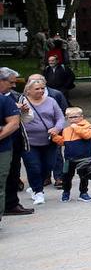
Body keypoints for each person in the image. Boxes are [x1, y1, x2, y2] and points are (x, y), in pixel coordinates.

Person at [20, 74, 65, 205]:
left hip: (49, 140)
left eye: (42, 88)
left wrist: (56, 128)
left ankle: (35, 186)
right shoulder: (21, 101)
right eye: (37, 89)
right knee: (34, 166)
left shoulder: (51, 100)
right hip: (29, 141)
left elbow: (60, 117)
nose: (40, 91)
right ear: (28, 90)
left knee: (48, 166)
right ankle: (38, 192)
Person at [0, 67, 33, 217]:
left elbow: (26, 120)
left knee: (12, 174)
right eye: (11, 82)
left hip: (13, 141)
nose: (14, 85)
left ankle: (11, 204)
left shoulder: (17, 96)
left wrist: (24, 111)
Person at [52, 107, 91, 202]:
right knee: (66, 176)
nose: (72, 119)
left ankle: (83, 193)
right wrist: (55, 137)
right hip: (69, 158)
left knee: (84, 176)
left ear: (81, 117)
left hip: (84, 158)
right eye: (69, 118)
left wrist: (76, 128)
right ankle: (66, 192)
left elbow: (87, 135)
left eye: (75, 117)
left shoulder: (88, 126)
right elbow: (64, 142)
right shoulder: (66, 130)